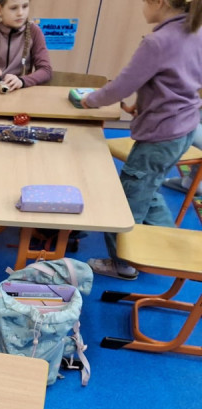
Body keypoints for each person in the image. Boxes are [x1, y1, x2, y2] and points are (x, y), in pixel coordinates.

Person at [76, 0, 202, 280]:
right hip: (183, 129)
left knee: (127, 198)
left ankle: (123, 263)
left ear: (159, 3)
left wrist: (91, 100)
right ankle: (166, 243)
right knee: (148, 185)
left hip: (160, 136)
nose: (142, 8)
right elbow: (175, 81)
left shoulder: (157, 41)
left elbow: (122, 85)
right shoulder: (195, 29)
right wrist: (145, 105)